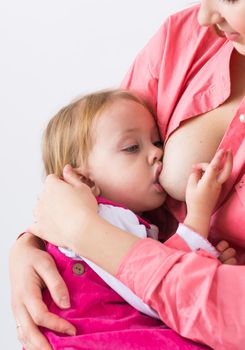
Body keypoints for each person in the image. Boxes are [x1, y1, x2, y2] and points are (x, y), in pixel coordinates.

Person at [9, 1, 245, 350]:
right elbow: (96, 148)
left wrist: (84, 231)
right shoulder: (184, 38)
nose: (204, 16)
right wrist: (31, 244)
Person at [35, 88, 233, 349]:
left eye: (157, 142)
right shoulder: (103, 217)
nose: (156, 153)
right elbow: (154, 291)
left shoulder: (112, 218)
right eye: (132, 148)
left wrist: (206, 260)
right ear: (84, 179)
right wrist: (198, 214)